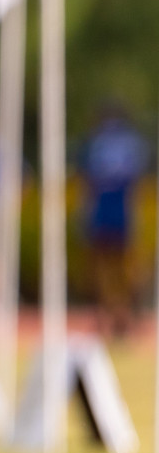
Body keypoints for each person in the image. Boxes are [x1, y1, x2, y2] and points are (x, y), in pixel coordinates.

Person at [79, 100, 148, 338]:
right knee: (119, 269)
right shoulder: (129, 144)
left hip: (107, 213)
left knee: (107, 268)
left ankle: (112, 316)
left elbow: (89, 182)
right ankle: (120, 317)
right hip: (118, 214)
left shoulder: (99, 144)